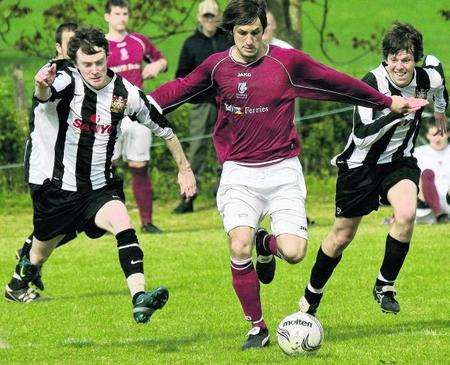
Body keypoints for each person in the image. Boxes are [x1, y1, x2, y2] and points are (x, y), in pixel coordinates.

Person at [149, 1, 425, 349]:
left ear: (264, 29)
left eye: (256, 32)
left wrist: (385, 102)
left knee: (294, 253)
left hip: (282, 170)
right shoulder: (217, 67)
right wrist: (137, 102)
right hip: (238, 172)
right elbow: (179, 89)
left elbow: (337, 82)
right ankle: (257, 327)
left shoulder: (286, 62)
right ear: (231, 33)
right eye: (242, 33)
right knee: (238, 244)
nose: (250, 40)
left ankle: (267, 244)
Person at [5, 28, 196, 326]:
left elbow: (164, 128)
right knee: (38, 254)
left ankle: (139, 298)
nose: (94, 71)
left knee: (124, 224)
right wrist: (41, 86)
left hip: (99, 189)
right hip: (60, 192)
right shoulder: (67, 80)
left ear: (107, 57)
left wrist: (184, 169)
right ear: (76, 62)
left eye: (99, 62)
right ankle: (23, 274)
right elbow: (44, 95)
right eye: (87, 64)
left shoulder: (125, 93)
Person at [298, 23, 447, 319]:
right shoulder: (372, 82)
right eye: (393, 59)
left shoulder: (425, 77)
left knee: (406, 214)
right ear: (386, 59)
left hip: (398, 161)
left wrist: (440, 109)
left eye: (406, 59)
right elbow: (363, 134)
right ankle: (311, 296)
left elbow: (439, 76)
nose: (399, 66)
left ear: (414, 58)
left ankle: (385, 285)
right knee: (341, 236)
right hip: (360, 165)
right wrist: (395, 111)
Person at [13, 22, 80, 292]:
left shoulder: (80, 72)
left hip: (66, 165)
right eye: (70, 43)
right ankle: (19, 279)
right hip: (45, 165)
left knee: (73, 223)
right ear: (58, 47)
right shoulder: (57, 74)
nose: (75, 48)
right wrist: (43, 87)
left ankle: (28, 255)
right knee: (63, 224)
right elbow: (44, 92)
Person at [105, 0, 168, 233]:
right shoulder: (100, 45)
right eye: (117, 13)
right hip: (111, 113)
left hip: (138, 111)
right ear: (107, 17)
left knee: (139, 165)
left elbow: (162, 59)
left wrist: (156, 67)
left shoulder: (139, 41)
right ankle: (105, 220)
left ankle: (147, 222)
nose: (122, 17)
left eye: (125, 13)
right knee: (106, 166)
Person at [172, 0, 234, 214]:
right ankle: (188, 198)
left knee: (228, 149)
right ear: (199, 17)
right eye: (206, 16)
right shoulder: (191, 44)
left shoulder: (228, 40)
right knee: (197, 148)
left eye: (213, 16)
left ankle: (226, 193)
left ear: (218, 17)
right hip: (202, 105)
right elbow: (180, 75)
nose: (210, 20)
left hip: (228, 104)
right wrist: (196, 94)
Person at [415, 120, 450, 224]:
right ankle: (439, 214)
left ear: (448, 134)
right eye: (433, 135)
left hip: (448, 198)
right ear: (427, 136)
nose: (437, 138)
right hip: (425, 200)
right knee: (426, 174)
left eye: (441, 134)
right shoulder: (418, 153)